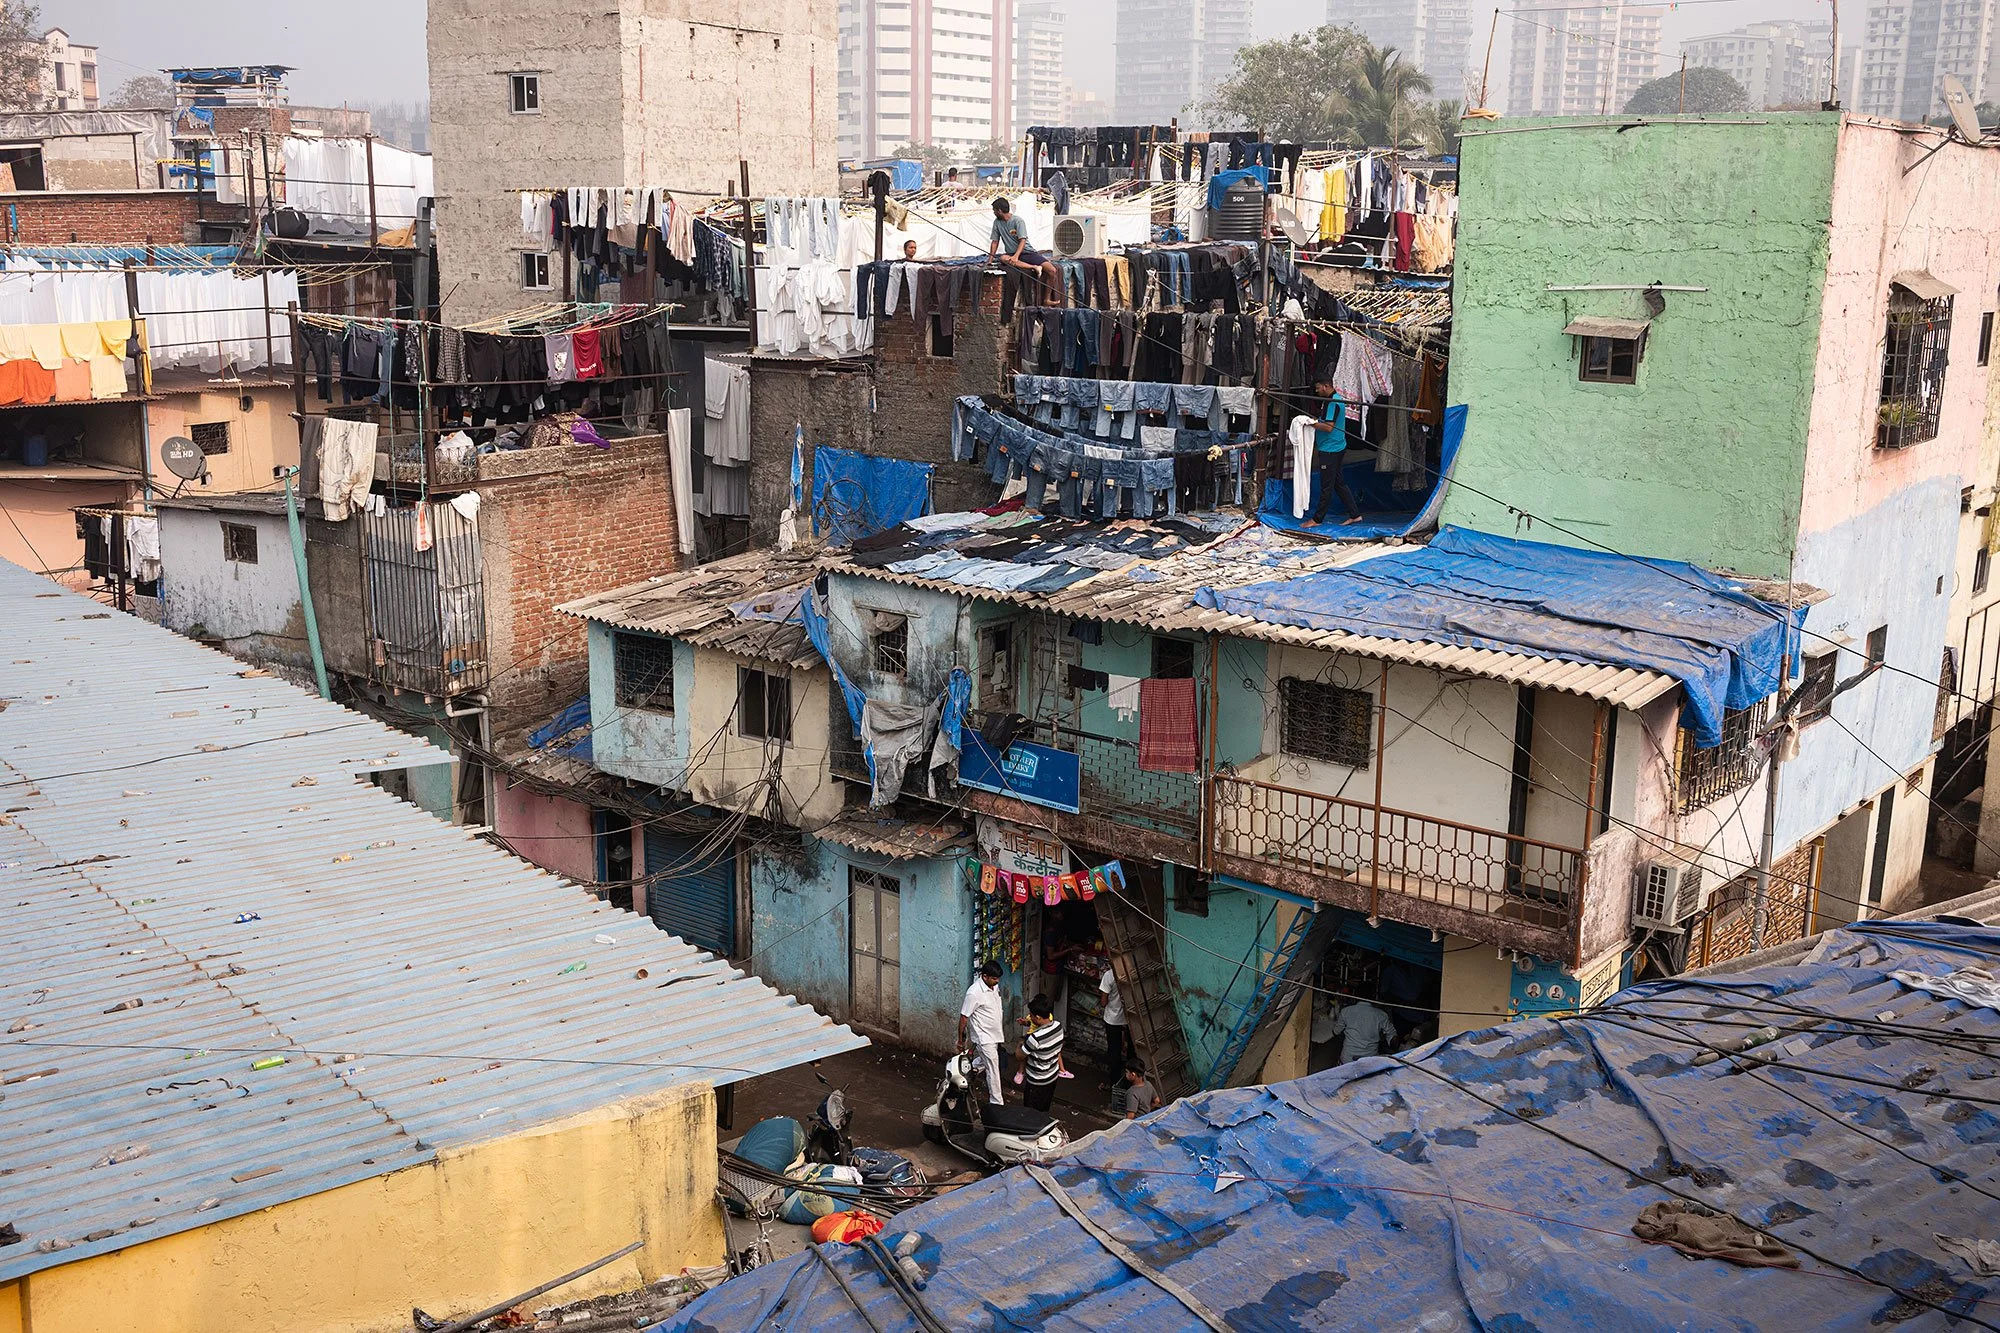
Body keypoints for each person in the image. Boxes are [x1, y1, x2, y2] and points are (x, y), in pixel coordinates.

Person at [1307, 375, 1365, 527]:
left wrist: (1309, 423)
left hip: (1330, 449)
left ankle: (1317, 519)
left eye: (1318, 388)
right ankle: (1355, 514)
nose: (1317, 391)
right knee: (1339, 483)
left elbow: (1328, 427)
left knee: (1326, 486)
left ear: (1326, 386)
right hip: (1338, 446)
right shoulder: (1336, 399)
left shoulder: (1333, 402)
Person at [989, 197, 1063, 305]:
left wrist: (1016, 256)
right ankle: (1034, 267)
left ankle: (1046, 299)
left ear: (999, 211)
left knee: (1052, 270)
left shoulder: (1018, 221)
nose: (994, 212)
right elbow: (995, 242)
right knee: (1003, 258)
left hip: (1027, 252)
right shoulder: (997, 223)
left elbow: (1022, 240)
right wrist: (990, 259)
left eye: (994, 210)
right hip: (1011, 253)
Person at [958, 960, 1007, 1105]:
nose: (997, 981)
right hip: (984, 1037)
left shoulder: (993, 986)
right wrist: (960, 1040)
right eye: (994, 978)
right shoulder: (974, 993)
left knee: (987, 1061)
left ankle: (967, 1070)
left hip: (995, 1034)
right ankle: (997, 1102)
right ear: (984, 976)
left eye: (998, 979)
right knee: (993, 1069)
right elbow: (964, 1017)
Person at [1018, 994, 1066, 1113]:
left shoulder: (1035, 1038)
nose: (1031, 1018)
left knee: (1030, 1112)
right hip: (1052, 1077)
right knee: (1044, 1109)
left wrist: (1020, 1044)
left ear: (1038, 1017)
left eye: (1032, 1016)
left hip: (1036, 1081)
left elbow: (1019, 1056)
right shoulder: (1058, 1026)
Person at [1330, 993, 1398, 1065]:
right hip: (1370, 1060)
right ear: (1373, 998)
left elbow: (1336, 1032)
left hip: (1348, 1059)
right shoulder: (1381, 1014)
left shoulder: (1346, 1011)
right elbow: (1392, 1035)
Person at [1099, 962, 1128, 1086]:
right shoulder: (1128, 973)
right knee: (1128, 1050)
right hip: (1126, 1019)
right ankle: (1127, 1079)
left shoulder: (1109, 975)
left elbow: (1103, 1002)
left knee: (1114, 1051)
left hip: (1112, 1019)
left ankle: (1114, 1081)